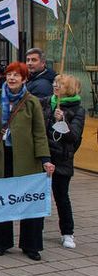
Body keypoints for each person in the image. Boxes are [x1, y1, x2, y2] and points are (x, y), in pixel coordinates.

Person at [0, 61, 53, 261]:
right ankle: (1, 242)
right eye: (9, 74)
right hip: (2, 157)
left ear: (24, 79)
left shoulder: (31, 101)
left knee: (28, 202)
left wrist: (45, 159)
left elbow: (39, 133)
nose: (11, 78)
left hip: (27, 160)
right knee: (2, 201)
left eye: (16, 75)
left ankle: (31, 245)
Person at [46, 74, 86, 250]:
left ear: (68, 88)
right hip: (45, 156)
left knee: (61, 197)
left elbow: (74, 136)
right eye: (55, 83)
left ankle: (67, 233)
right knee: (39, 195)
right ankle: (34, 229)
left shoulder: (78, 110)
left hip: (62, 159)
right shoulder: (48, 102)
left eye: (60, 84)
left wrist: (62, 120)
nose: (55, 86)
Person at [25, 47, 56, 114]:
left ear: (43, 63)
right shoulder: (32, 77)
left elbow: (38, 111)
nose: (29, 63)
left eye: (34, 60)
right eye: (28, 60)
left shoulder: (43, 85)